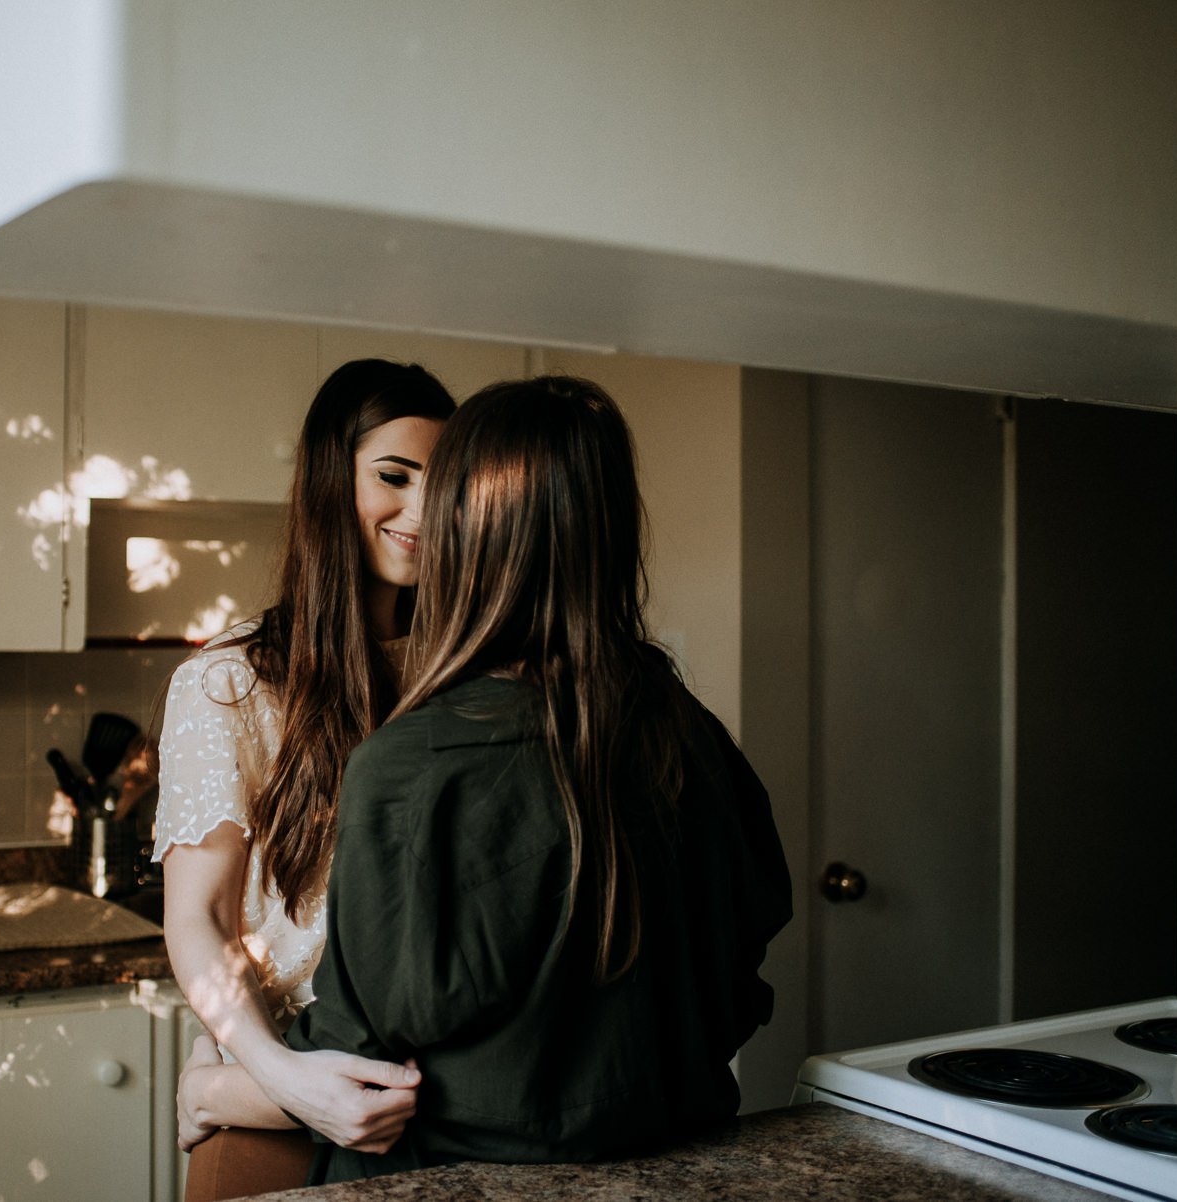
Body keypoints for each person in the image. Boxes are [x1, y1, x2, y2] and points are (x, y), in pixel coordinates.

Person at [263, 375, 793, 1182]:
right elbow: (749, 962)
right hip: (680, 1167)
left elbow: (353, 1066)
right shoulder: (690, 733)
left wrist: (215, 1085)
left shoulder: (413, 768)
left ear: (465, 532)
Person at [153, 358, 456, 1199]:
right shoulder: (231, 682)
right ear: (330, 483)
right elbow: (199, 916)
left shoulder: (468, 672)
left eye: (445, 484)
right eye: (393, 477)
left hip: (434, 1114)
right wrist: (276, 1080)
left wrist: (214, 1086)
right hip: (289, 1113)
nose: (423, 512)